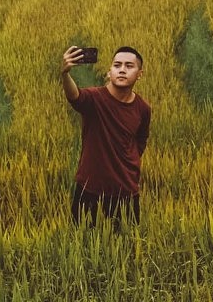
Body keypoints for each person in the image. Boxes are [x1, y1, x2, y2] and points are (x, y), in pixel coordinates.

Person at [59, 45, 151, 228]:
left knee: (126, 247)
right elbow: (75, 97)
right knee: (82, 245)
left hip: (126, 191)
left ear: (139, 74)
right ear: (110, 72)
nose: (122, 70)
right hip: (89, 189)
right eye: (117, 65)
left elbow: (140, 141)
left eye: (129, 66)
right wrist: (65, 74)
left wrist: (127, 162)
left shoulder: (143, 109)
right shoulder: (94, 98)